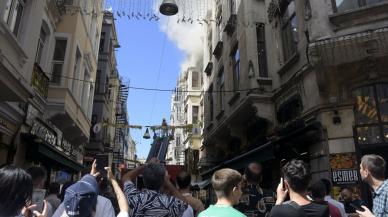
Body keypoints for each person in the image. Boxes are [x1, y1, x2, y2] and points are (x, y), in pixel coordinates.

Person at [122, 158, 187, 216]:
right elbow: (185, 203)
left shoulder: (134, 198)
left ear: (144, 180)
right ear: (163, 181)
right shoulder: (171, 203)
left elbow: (126, 178)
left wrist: (147, 165)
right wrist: (166, 181)